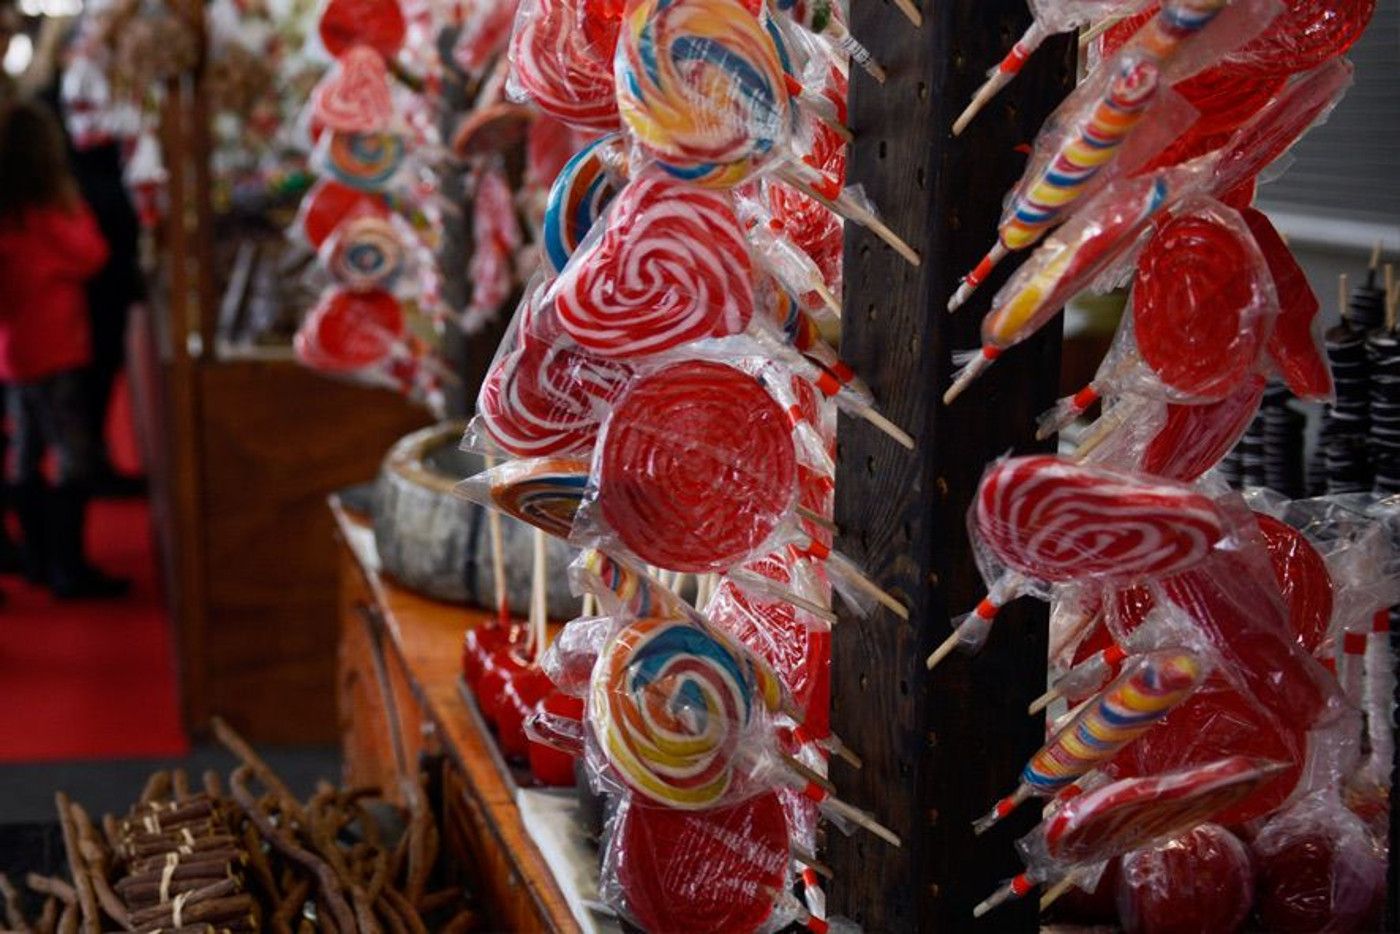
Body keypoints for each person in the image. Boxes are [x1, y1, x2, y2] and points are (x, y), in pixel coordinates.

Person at [0, 100, 128, 598]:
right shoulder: (51, 213)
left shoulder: (9, 216)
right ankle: (67, 565)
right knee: (73, 457)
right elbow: (92, 253)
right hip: (56, 350)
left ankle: (34, 557)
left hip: (14, 354)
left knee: (26, 454)